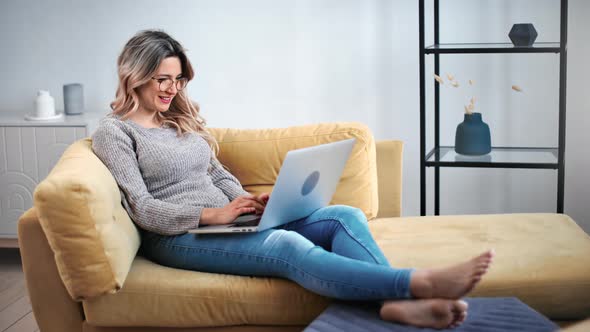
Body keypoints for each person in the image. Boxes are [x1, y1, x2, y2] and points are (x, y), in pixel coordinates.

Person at [91, 30, 494, 329]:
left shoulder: (179, 120)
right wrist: (212, 215)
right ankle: (417, 282)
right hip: (176, 236)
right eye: (163, 79)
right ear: (136, 75)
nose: (172, 89)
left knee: (343, 216)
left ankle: (392, 305)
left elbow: (216, 172)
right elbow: (142, 207)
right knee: (287, 244)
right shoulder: (115, 131)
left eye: (178, 80)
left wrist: (251, 204)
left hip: (225, 221)